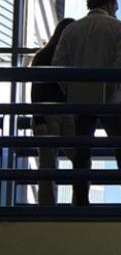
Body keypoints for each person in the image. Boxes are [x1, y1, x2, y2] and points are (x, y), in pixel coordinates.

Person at [51, 0, 121, 206]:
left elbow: (57, 66)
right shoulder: (119, 27)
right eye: (116, 7)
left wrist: (71, 91)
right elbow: (120, 65)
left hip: (80, 99)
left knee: (82, 154)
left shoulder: (72, 30)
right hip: (113, 101)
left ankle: (80, 201)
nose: (117, 11)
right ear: (109, 4)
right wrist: (110, 93)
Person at [30, 18, 76, 206]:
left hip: (47, 113)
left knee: (47, 163)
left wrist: (38, 119)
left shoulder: (41, 56)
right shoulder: (73, 58)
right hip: (68, 112)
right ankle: (79, 202)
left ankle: (46, 206)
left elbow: (36, 92)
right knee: (80, 158)